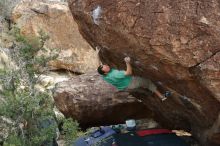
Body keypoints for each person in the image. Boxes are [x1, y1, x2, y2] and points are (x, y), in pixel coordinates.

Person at [97, 56, 167, 101]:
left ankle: (149, 94)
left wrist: (97, 56)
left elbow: (99, 67)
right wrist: (127, 63)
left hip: (125, 87)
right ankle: (161, 97)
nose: (106, 66)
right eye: (104, 67)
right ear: (105, 72)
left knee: (139, 89)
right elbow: (129, 73)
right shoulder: (115, 74)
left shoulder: (104, 76)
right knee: (148, 82)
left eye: (104, 65)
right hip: (131, 82)